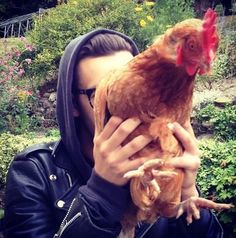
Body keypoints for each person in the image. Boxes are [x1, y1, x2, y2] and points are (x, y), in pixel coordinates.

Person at [2, 28, 224, 238]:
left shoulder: (166, 160)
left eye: (134, 86)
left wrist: (187, 194)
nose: (130, 102)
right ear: (72, 105)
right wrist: (102, 192)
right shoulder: (34, 172)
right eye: (104, 92)